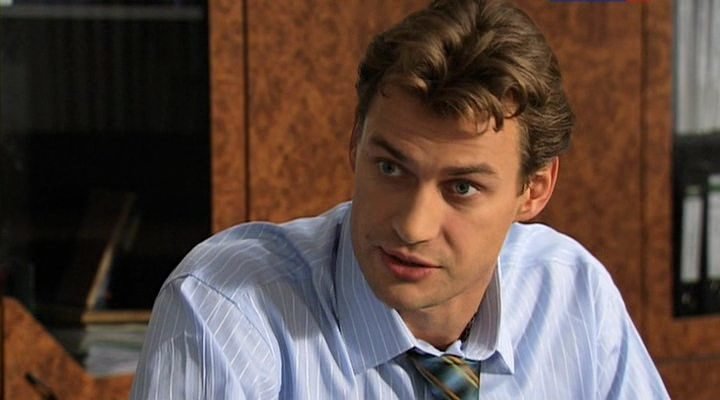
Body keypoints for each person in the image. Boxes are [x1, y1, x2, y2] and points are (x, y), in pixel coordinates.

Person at [131, 0, 669, 398]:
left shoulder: (574, 294)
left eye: (462, 187)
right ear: (355, 145)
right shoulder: (226, 309)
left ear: (534, 191)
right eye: (390, 168)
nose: (412, 226)